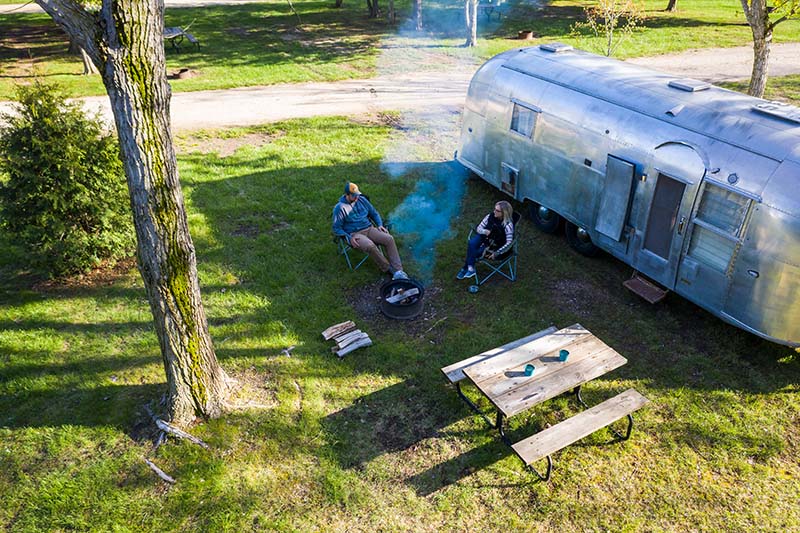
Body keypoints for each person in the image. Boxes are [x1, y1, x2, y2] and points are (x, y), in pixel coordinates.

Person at [333, 182, 409, 280]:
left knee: (389, 239)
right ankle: (388, 269)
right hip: (355, 234)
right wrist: (349, 238)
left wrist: (380, 225)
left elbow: (374, 213)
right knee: (370, 245)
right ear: (347, 195)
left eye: (357, 195)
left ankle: (399, 271)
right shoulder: (340, 208)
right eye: (354, 196)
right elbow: (336, 228)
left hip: (369, 228)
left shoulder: (362, 200)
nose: (356, 198)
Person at [457, 200, 514, 279]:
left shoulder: (508, 225)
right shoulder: (490, 216)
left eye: (497, 211)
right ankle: (470, 268)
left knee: (475, 252)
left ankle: (466, 268)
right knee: (472, 243)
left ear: (504, 213)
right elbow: (479, 228)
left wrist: (497, 253)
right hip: (484, 238)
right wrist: (485, 231)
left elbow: (509, 242)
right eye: (494, 209)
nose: (494, 211)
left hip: (494, 246)